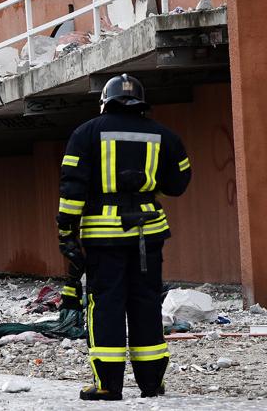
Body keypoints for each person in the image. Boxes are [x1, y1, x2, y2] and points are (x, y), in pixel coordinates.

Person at [56, 74, 191, 401]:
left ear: (106, 101)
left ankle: (107, 385)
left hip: (104, 239)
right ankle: (151, 384)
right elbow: (179, 182)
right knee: (146, 304)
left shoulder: (85, 134)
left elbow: (72, 189)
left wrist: (66, 234)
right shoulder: (165, 136)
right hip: (149, 235)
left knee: (106, 306)